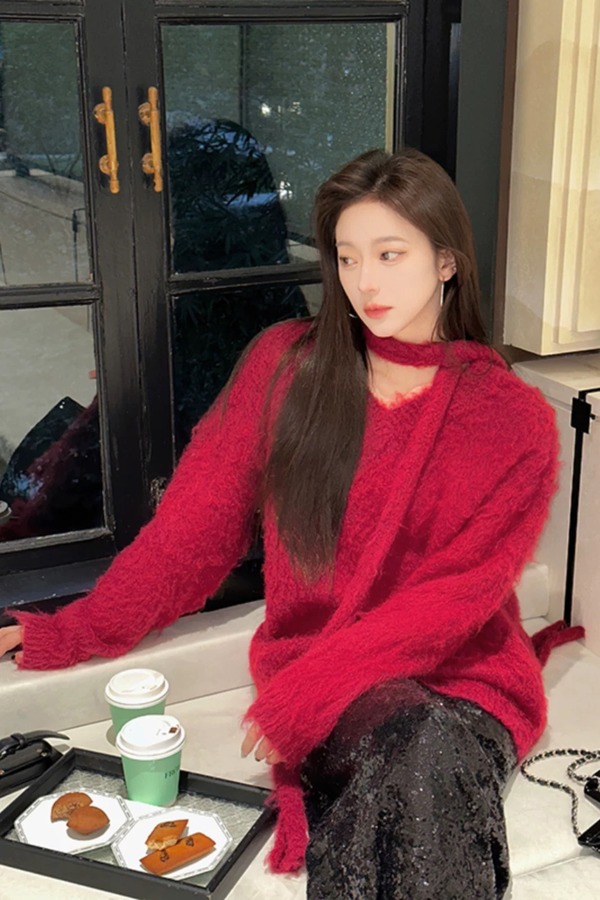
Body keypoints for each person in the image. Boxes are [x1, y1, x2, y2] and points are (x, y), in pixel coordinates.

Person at [0, 148, 581, 899]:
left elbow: (456, 597)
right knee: (414, 759)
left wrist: (308, 694)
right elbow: (191, 534)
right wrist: (73, 631)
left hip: (465, 683)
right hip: (335, 679)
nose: (365, 282)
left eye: (389, 254)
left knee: (428, 752)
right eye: (346, 257)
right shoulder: (286, 368)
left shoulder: (511, 419)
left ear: (446, 261)